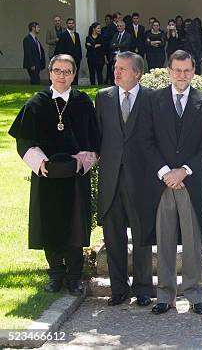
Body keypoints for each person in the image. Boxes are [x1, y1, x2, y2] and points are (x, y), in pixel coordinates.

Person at [8, 54, 99, 296]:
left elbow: (95, 141)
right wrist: (40, 163)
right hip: (47, 175)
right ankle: (56, 275)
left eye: (67, 71)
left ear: (73, 74)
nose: (62, 75)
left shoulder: (82, 103)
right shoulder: (36, 104)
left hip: (75, 176)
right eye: (57, 70)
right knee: (50, 224)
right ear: (49, 73)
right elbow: (23, 141)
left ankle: (74, 277)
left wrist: (82, 162)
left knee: (75, 226)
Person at [142, 50, 202, 315]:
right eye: (177, 70)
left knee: (192, 240)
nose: (182, 75)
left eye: (186, 70)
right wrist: (165, 172)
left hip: (190, 181)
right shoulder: (153, 100)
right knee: (164, 239)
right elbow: (146, 139)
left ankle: (196, 295)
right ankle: (165, 295)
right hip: (162, 182)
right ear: (169, 71)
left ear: (193, 72)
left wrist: (184, 171)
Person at [95, 51, 155, 308]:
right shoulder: (103, 97)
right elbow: (98, 136)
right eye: (116, 68)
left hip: (141, 179)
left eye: (122, 69)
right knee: (113, 236)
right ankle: (118, 288)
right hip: (111, 180)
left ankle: (143, 288)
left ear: (137, 73)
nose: (116, 72)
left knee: (142, 235)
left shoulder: (153, 98)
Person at [54, 18, 82, 84]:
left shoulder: (76, 35)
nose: (71, 24)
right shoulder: (63, 35)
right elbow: (61, 49)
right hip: (67, 59)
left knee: (75, 75)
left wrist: (79, 57)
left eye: (72, 23)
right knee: (68, 76)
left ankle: (75, 87)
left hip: (76, 59)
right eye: (69, 23)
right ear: (67, 24)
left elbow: (78, 47)